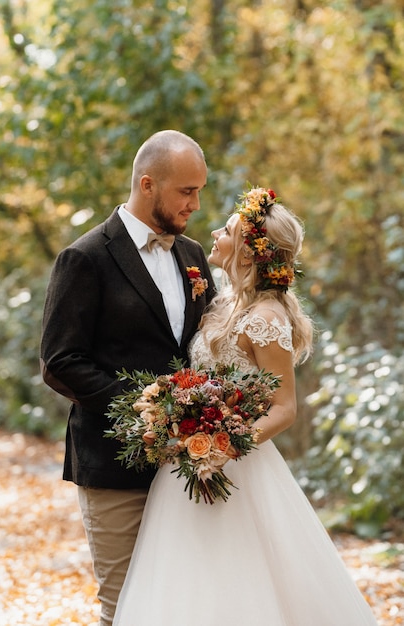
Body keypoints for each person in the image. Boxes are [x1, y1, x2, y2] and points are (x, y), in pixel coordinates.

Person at [112, 187, 379, 625]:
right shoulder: (224, 303)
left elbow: (285, 407)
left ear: (253, 253)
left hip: (236, 465)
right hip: (190, 464)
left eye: (230, 230)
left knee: (238, 581)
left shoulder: (267, 318)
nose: (215, 231)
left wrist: (225, 447)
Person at [40, 129, 216, 626]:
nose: (196, 204)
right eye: (186, 191)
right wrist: (148, 407)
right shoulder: (85, 258)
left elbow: (201, 347)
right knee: (125, 607)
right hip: (114, 464)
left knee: (182, 603)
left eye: (199, 190)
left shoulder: (193, 256)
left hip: (189, 465)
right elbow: (59, 360)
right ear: (147, 185)